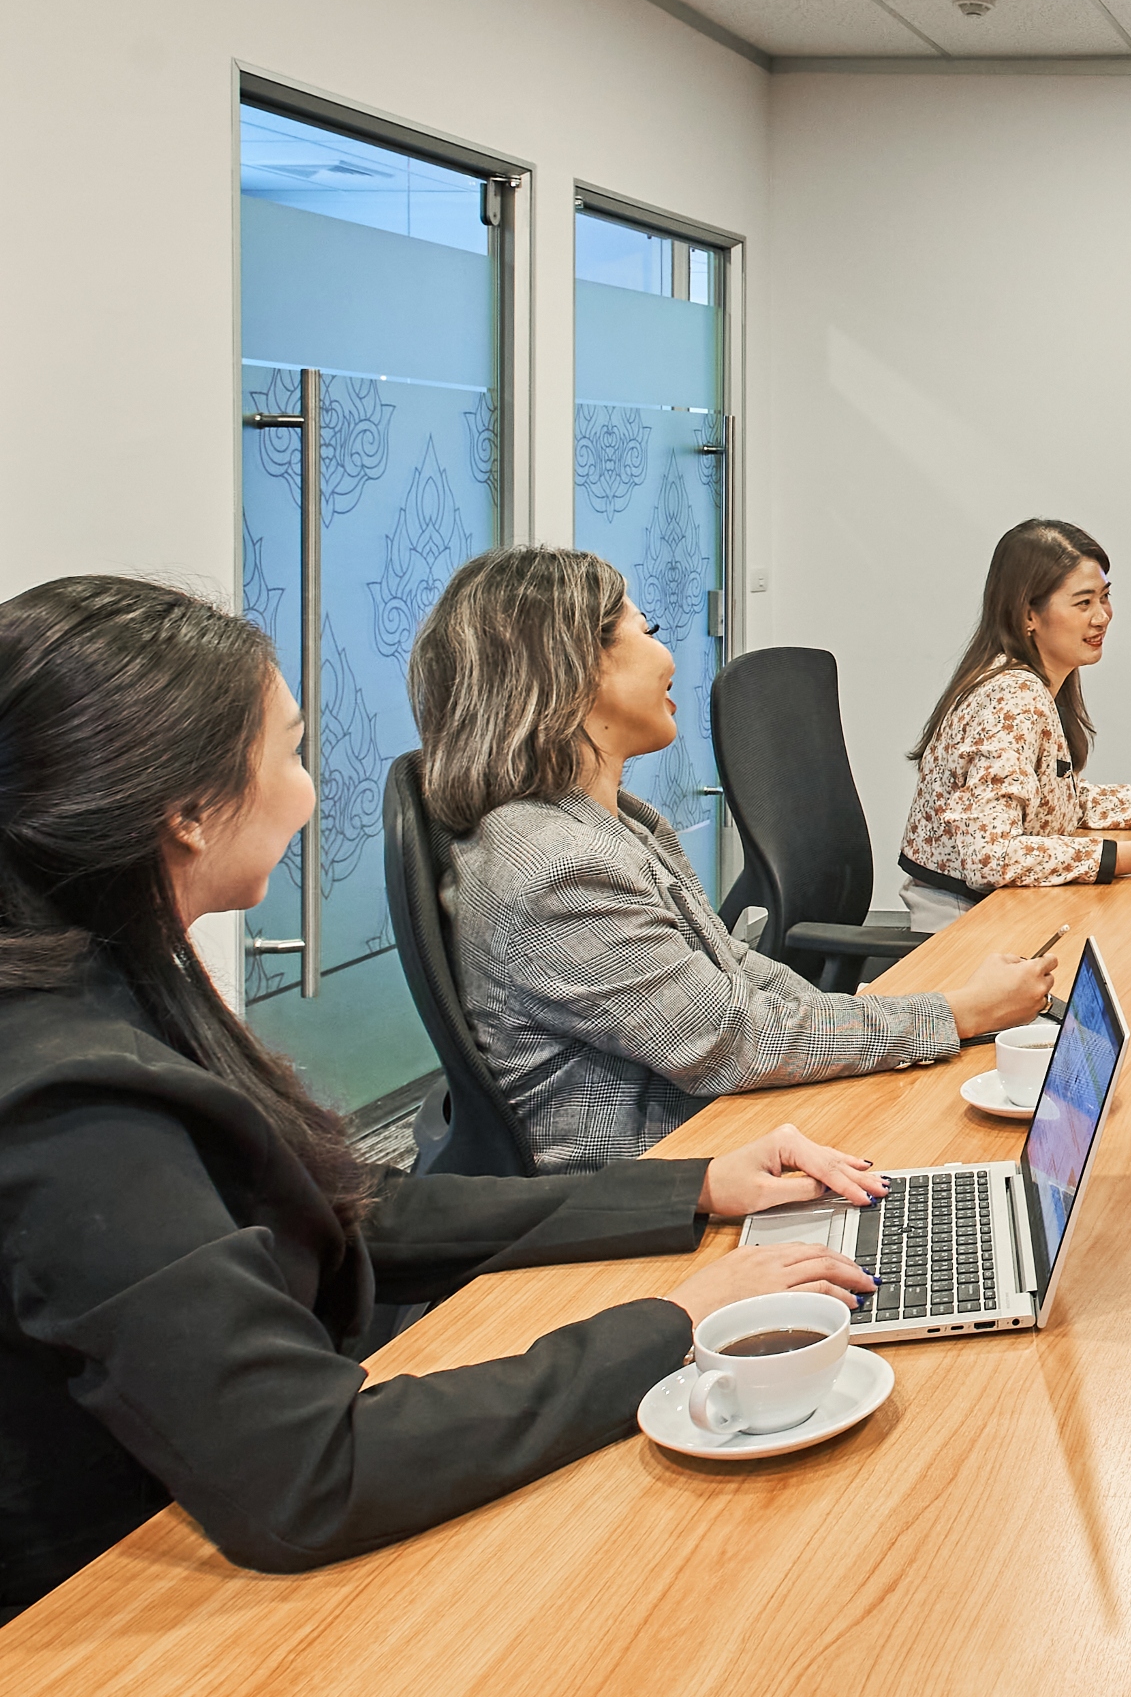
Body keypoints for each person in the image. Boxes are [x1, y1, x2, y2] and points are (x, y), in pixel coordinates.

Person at [0, 574, 882, 1621]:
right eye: (289, 751)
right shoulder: (73, 1099)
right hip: (113, 1632)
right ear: (188, 815)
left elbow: (346, 1207)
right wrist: (670, 1324)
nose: (309, 790)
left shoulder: (109, 974)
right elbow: (307, 1472)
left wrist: (690, 1190)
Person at [419, 549, 1058, 1173]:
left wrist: (919, 1014)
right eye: (649, 631)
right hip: (656, 1183)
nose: (670, 657)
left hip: (715, 1132)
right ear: (576, 670)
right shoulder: (553, 866)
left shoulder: (614, 820)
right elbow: (729, 1039)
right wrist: (960, 1013)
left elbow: (734, 971)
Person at [899, 518, 1131, 929]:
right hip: (965, 924)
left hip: (1000, 906)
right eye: (1083, 603)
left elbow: (1057, 802)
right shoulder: (1013, 697)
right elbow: (991, 858)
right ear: (1028, 616)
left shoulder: (1033, 680)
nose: (1102, 617)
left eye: (1105, 598)